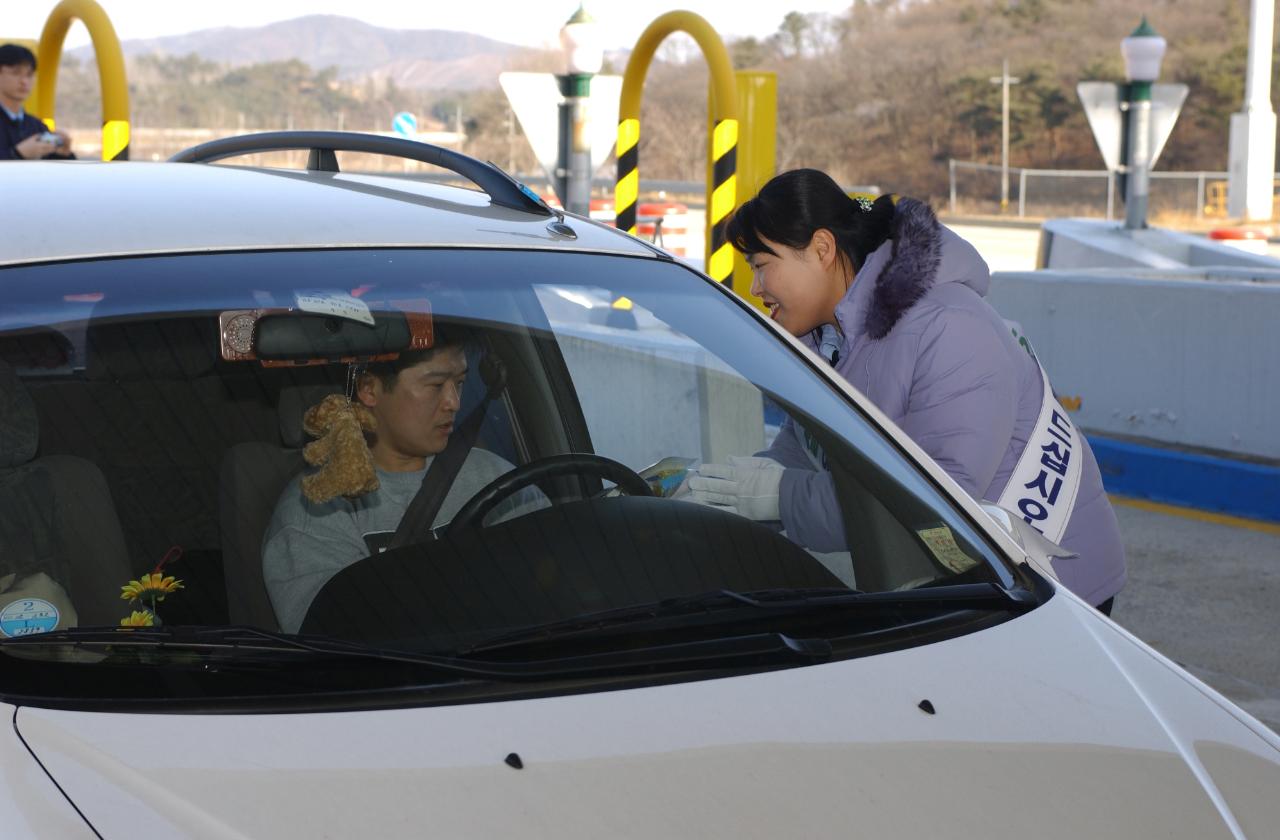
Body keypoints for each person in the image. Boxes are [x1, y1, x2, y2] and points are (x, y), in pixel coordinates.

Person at [688, 169, 1125, 613]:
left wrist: (778, 494)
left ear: (821, 249)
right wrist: (714, 497)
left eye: (762, 266)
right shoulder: (830, 341)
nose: (755, 287)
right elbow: (806, 451)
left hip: (1049, 588)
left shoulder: (947, 327)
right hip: (962, 583)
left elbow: (936, 498)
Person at [263, 325, 544, 633]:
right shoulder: (318, 507)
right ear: (369, 390)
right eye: (436, 385)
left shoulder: (497, 479)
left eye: (459, 383)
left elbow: (554, 582)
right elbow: (337, 644)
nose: (454, 402)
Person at [0, 44, 74, 161]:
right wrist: (17, 154)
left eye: (29, 75)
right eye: (15, 73)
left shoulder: (37, 126)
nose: (24, 81)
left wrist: (65, 154)